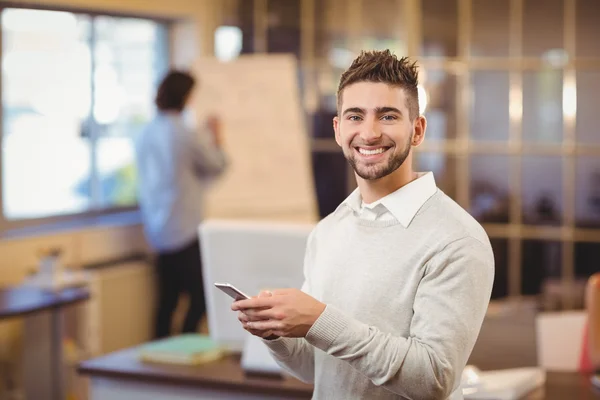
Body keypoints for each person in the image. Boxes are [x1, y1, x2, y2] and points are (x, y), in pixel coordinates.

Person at [232, 50, 494, 399]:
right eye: (355, 116)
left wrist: (319, 320)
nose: (369, 133)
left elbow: (434, 379)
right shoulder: (328, 231)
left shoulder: (458, 240)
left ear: (417, 130)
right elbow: (317, 367)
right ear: (339, 130)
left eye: (387, 116)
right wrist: (275, 334)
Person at [135, 70, 227, 339]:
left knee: (166, 302)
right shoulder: (183, 133)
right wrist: (216, 137)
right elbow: (216, 163)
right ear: (185, 96)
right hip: (185, 229)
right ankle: (187, 343)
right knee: (201, 297)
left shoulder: (147, 131)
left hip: (158, 230)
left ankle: (162, 360)